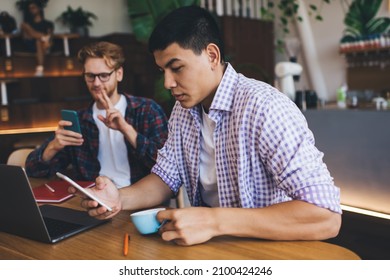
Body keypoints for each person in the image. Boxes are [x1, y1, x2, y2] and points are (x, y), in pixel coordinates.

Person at [74, 6, 342, 246]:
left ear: (212, 55)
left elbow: (326, 216)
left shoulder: (264, 107)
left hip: (273, 251)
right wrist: (118, 198)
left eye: (176, 67)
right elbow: (165, 179)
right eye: (162, 71)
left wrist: (213, 221)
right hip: (216, 249)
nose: (168, 83)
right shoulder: (183, 110)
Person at [25, 41, 169, 188]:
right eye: (90, 76)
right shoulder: (79, 121)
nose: (96, 83)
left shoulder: (147, 110)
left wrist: (126, 129)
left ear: (119, 74)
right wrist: (53, 147)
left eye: (104, 75)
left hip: (138, 197)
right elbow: (33, 171)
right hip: (93, 199)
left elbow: (167, 167)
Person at [20, 0, 54, 76]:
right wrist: (43, 37)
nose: (31, 10)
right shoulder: (27, 23)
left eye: (33, 7)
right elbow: (26, 38)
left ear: (39, 9)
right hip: (31, 45)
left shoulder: (48, 24)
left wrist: (34, 35)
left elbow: (51, 37)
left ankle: (40, 68)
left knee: (39, 42)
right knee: (25, 26)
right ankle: (43, 38)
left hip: (46, 45)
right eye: (30, 8)